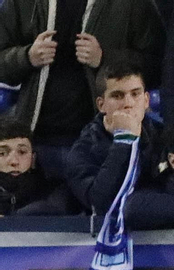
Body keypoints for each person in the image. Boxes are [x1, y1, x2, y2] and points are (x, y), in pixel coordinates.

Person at [0, 0, 161, 180]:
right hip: (36, 140)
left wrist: (105, 58)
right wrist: (27, 56)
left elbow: (157, 65)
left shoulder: (133, 4)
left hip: (102, 144)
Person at [63, 60, 162, 215]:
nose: (128, 103)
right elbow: (101, 204)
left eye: (135, 94)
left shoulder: (165, 138)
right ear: (101, 105)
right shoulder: (83, 150)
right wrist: (123, 141)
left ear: (146, 100)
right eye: (117, 96)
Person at [0, 114, 74, 214]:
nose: (14, 162)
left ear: (33, 158)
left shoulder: (55, 194)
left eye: (22, 152)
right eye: (2, 153)